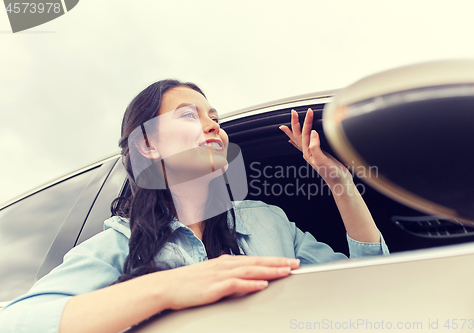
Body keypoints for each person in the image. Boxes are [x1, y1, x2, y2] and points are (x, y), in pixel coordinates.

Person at [0, 79, 389, 333]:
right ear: (147, 145)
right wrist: (168, 288)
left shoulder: (268, 222)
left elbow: (373, 283)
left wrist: (338, 180)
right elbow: (16, 322)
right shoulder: (120, 244)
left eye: (214, 117)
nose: (213, 125)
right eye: (189, 115)